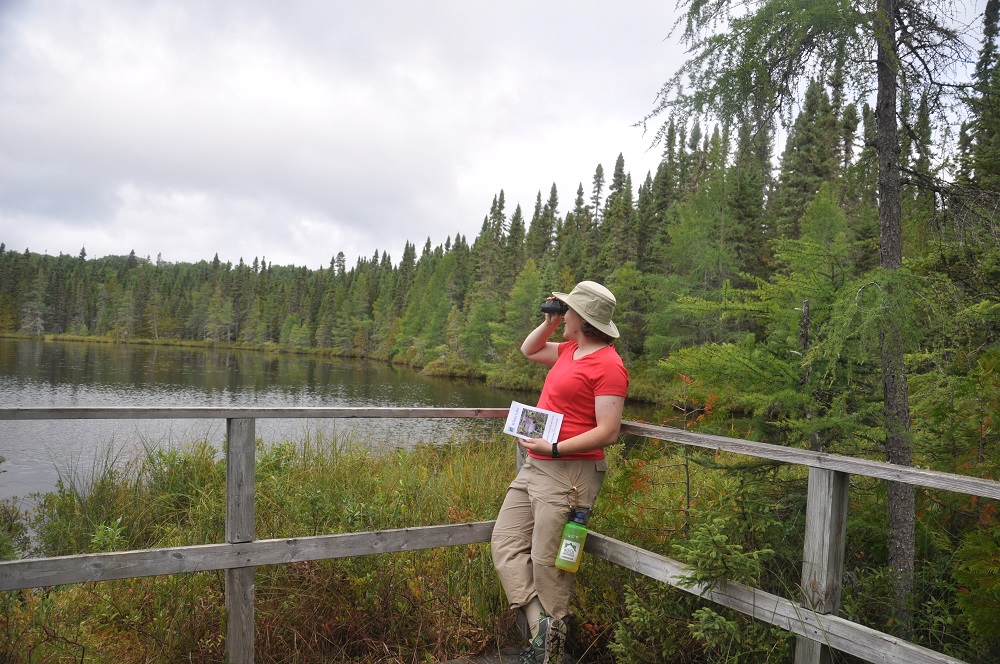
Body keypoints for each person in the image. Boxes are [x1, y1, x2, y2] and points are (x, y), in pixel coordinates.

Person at [491, 280, 629, 664]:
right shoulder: (570, 350)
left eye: (566, 311)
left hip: (570, 473)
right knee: (504, 544)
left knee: (549, 562)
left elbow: (609, 431)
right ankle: (544, 633)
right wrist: (550, 321)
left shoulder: (609, 365)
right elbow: (529, 349)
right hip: (536, 466)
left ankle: (549, 647)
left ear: (582, 319)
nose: (561, 314)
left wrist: (553, 447)